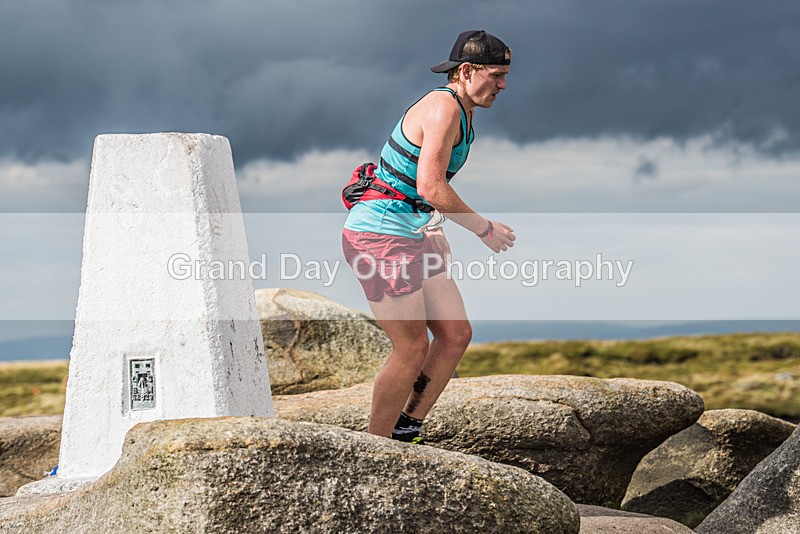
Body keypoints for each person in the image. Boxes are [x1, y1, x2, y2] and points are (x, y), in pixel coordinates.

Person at [341, 30, 516, 443]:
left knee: (456, 335)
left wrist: (432, 227)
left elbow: (421, 191)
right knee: (412, 347)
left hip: (413, 232)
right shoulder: (443, 107)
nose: (504, 85)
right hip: (378, 236)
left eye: (506, 75)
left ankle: (407, 430)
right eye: (496, 75)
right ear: (468, 70)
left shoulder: (464, 111)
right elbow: (431, 187)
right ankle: (376, 449)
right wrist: (483, 228)